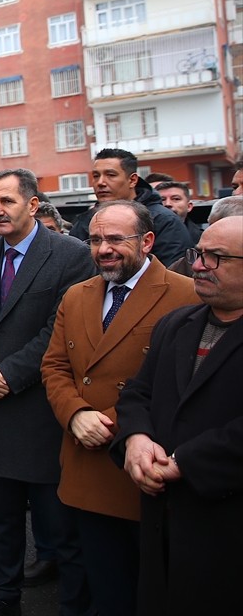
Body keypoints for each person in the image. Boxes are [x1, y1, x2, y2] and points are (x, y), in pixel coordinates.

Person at [41, 201, 198, 616]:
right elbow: (55, 366)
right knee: (102, 584)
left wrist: (109, 422)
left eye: (115, 239)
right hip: (83, 465)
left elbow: (176, 384)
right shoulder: (77, 295)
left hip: (139, 469)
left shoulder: (186, 294)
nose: (103, 249)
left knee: (148, 592)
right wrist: (76, 414)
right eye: (94, 240)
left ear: (147, 241)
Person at [0, 169, 95, 616]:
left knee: (59, 528)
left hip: (38, 412)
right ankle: (3, 597)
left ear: (33, 205)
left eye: (7, 201)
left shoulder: (71, 255)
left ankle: (72, 605)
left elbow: (61, 328)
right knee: (1, 520)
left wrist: (8, 375)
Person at [110, 216, 243, 616]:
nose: (199, 265)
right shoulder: (176, 324)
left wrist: (185, 462)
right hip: (163, 522)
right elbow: (137, 392)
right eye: (199, 253)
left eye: (216, 257)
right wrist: (135, 439)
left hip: (226, 529)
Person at [68, 148, 192, 267]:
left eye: (110, 175)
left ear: (132, 180)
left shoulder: (164, 221)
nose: (100, 182)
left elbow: (172, 273)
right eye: (96, 176)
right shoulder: (84, 222)